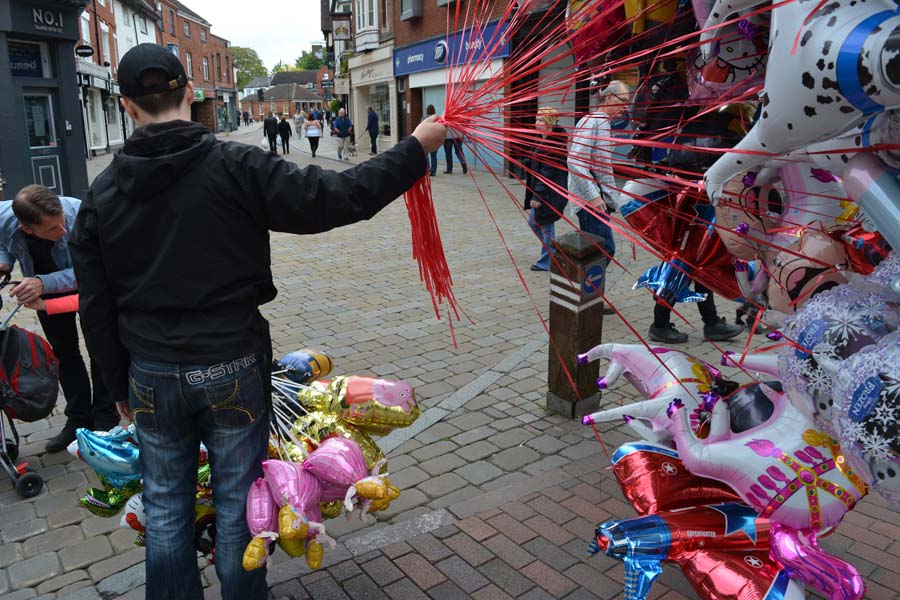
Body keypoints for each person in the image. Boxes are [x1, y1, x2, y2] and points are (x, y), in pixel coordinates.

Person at [68, 43, 445, 600]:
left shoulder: (101, 194)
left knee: (167, 507)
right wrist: (414, 149)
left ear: (125, 106)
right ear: (190, 94)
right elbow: (333, 198)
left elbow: (94, 305)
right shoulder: (235, 165)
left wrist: (116, 383)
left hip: (151, 370)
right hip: (232, 363)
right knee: (238, 501)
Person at [0, 185, 117, 451]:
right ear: (26, 228)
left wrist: (43, 283)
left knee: (101, 351)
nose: (63, 231)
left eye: (62, 223)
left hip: (90, 288)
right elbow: (2, 240)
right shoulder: (4, 218)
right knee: (63, 353)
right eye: (53, 229)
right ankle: (77, 421)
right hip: (44, 291)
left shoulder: (82, 214)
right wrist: (4, 261)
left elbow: (94, 271)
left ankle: (104, 422)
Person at [568, 80, 628, 267]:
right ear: (608, 97)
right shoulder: (591, 121)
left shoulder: (603, 123)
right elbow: (576, 160)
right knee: (603, 249)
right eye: (623, 101)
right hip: (591, 202)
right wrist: (593, 196)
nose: (625, 108)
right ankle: (584, 290)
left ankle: (587, 292)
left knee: (597, 251)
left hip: (600, 199)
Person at [525, 108, 568, 272]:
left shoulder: (553, 144)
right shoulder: (540, 140)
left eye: (541, 120)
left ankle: (548, 261)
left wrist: (537, 197)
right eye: (536, 120)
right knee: (535, 223)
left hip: (550, 194)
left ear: (550, 122)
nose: (537, 124)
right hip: (543, 192)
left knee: (545, 225)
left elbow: (546, 174)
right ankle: (554, 253)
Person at [424, 105, 439, 176]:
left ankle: (428, 168)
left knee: (425, 154)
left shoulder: (425, 118)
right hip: (435, 139)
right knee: (433, 156)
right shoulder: (437, 118)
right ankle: (433, 172)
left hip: (427, 139)